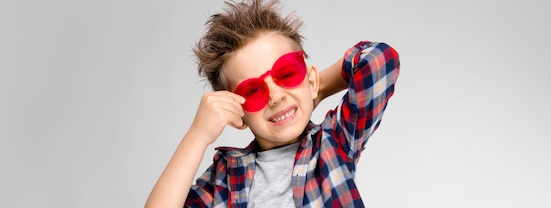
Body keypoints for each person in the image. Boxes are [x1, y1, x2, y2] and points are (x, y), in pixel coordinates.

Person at [145, 0, 400, 207]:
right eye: (254, 90)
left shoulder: (334, 142)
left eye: (287, 74)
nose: (275, 97)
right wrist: (197, 136)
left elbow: (379, 60)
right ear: (238, 113)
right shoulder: (225, 178)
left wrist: (314, 90)